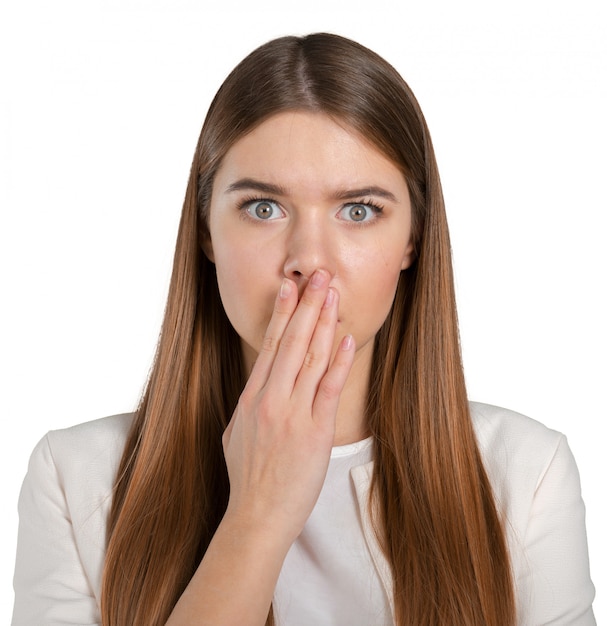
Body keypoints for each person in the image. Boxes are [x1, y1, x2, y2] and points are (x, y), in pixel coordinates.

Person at [12, 33, 595, 626]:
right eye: (264, 208)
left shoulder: (526, 476)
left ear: (412, 240)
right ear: (207, 233)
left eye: (359, 210)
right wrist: (257, 518)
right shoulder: (75, 479)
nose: (310, 259)